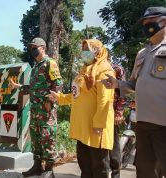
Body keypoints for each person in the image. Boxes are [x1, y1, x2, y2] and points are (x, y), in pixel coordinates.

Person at [100, 6, 166, 178]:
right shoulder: (142, 54)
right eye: (144, 23)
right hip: (142, 124)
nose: (146, 26)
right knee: (145, 171)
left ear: (164, 21)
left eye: (150, 22)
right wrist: (117, 84)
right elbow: (134, 84)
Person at [48, 39, 115, 178]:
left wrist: (98, 124)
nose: (84, 53)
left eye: (87, 49)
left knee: (99, 168)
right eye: (83, 49)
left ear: (97, 51)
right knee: (85, 167)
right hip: (83, 128)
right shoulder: (83, 71)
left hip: (96, 128)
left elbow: (105, 99)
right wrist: (59, 97)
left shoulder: (105, 70)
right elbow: (76, 95)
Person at [9, 37, 63, 178]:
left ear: (43, 48)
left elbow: (58, 84)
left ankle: (49, 170)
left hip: (46, 110)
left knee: (47, 137)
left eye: (34, 47)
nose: (32, 50)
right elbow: (33, 88)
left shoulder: (50, 63)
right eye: (31, 48)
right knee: (36, 138)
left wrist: (50, 101)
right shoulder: (36, 67)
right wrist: (18, 86)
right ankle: (37, 166)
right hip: (35, 110)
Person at [107, 50, 126, 178]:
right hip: (98, 113)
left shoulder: (116, 69)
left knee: (113, 144)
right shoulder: (94, 70)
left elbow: (122, 91)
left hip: (112, 112)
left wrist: (119, 111)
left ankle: (116, 173)